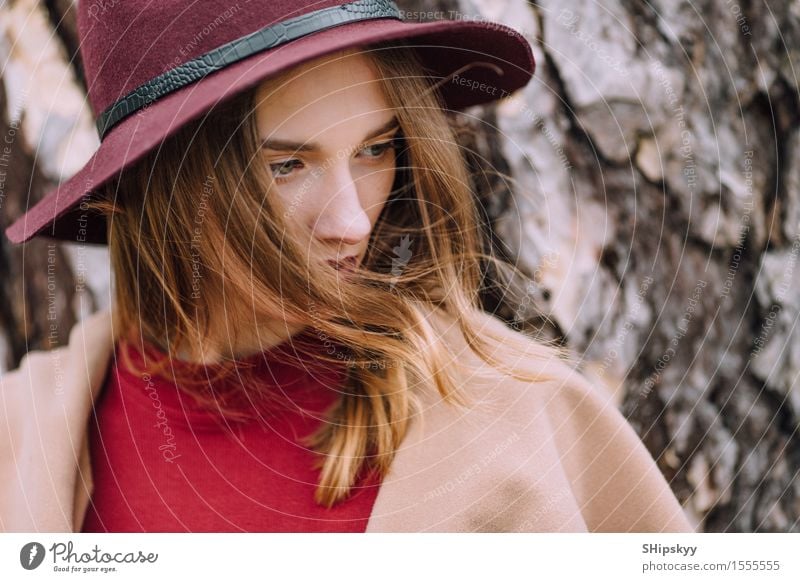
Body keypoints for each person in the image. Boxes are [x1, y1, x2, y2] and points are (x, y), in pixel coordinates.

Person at [0, 0, 695, 533]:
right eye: (287, 164)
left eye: (374, 149)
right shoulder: (23, 440)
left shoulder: (517, 414)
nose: (353, 223)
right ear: (153, 182)